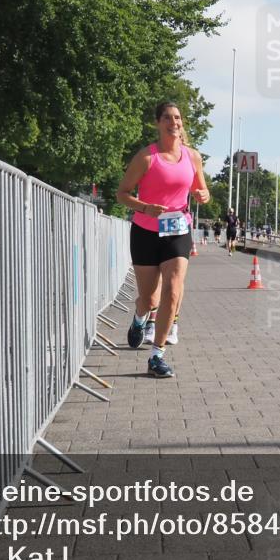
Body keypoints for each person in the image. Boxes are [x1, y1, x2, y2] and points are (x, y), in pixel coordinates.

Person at [117, 102, 209, 378]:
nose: (174, 122)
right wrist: (145, 207)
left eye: (177, 118)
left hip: (178, 229)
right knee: (149, 298)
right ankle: (139, 316)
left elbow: (202, 190)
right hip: (146, 232)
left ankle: (157, 355)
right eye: (167, 118)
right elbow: (122, 194)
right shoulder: (146, 157)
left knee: (173, 288)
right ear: (158, 123)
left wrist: (203, 195)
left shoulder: (193, 157)